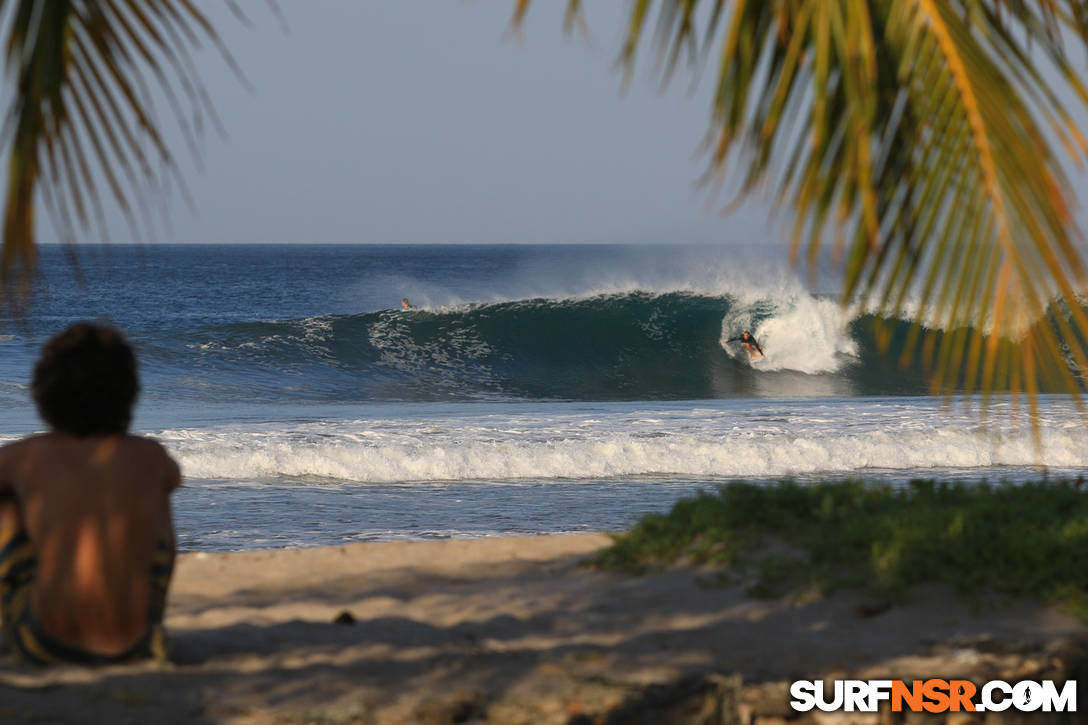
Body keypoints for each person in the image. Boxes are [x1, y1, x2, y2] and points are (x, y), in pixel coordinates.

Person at [0, 323, 180, 665]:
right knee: (155, 501)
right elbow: (172, 479)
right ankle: (150, 611)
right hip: (139, 643)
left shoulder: (23, 456)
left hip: (44, 641)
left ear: (45, 392)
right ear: (128, 393)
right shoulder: (150, 455)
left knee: (7, 501)